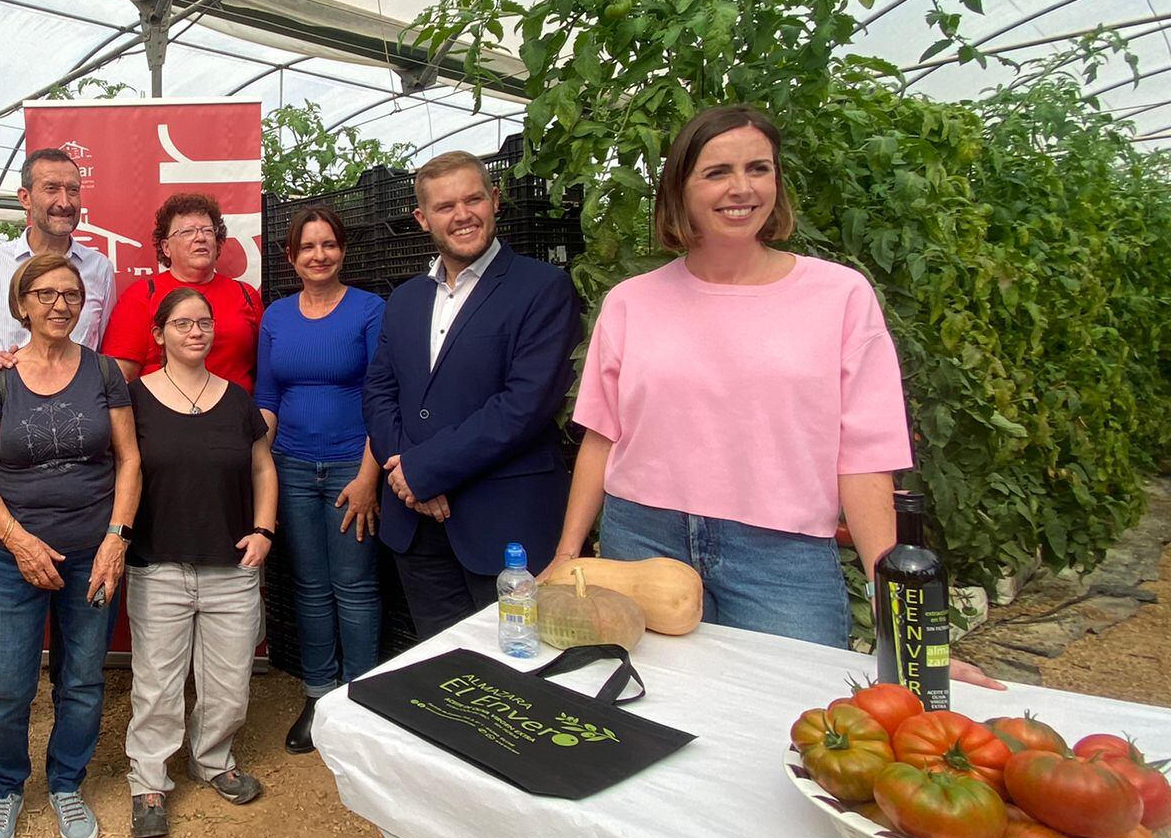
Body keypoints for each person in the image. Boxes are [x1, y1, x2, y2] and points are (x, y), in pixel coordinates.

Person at [552, 104, 1005, 688]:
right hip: (641, 540)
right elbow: (602, 438)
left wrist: (900, 615)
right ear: (679, 190)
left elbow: (865, 459)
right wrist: (568, 558)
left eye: (758, 168)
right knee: (643, 711)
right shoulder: (631, 302)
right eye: (716, 172)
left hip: (779, 558)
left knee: (789, 718)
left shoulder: (839, 296)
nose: (741, 188)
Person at [0, 147, 118, 781]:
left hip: (81, 456)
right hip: (10, 448)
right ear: (25, 196)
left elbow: (101, 355)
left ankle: (63, 745)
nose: (65, 201)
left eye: (73, 189)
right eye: (52, 188)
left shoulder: (99, 268)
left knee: (77, 640)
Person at [363, 151, 582, 639]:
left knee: (519, 667)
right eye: (445, 206)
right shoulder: (405, 300)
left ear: (495, 201)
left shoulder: (543, 289)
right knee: (440, 664)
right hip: (416, 526)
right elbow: (379, 389)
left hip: (505, 525)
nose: (462, 215)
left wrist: (423, 470)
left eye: (473, 199)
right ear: (423, 219)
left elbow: (523, 406)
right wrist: (405, 473)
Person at [0, 253, 137, 838]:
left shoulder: (106, 372)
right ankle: (6, 788)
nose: (60, 304)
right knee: (7, 682)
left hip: (93, 549)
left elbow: (129, 460)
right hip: (13, 553)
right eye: (46, 293)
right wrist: (16, 539)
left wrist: (117, 537)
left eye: (70, 293)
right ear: (22, 304)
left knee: (82, 677)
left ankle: (66, 782)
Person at [124, 287, 276, 838]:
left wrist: (263, 529)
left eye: (204, 323)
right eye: (183, 323)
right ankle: (149, 780)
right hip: (157, 564)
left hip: (231, 564)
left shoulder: (237, 399)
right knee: (157, 684)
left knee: (230, 683)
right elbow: (122, 473)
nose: (196, 331)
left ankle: (212, 760)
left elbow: (262, 468)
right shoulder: (133, 398)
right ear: (159, 334)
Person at [255, 205, 385, 753]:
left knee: (354, 586)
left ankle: (361, 697)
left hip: (350, 469)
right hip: (290, 463)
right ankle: (319, 693)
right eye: (307, 247)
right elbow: (267, 398)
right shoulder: (277, 318)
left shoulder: (369, 310)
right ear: (291, 257)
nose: (318, 255)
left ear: (342, 250)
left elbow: (384, 398)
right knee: (308, 586)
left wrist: (368, 476)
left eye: (328, 244)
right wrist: (260, 469)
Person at [100, 192, 263, 389]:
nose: (200, 238)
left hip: (236, 415)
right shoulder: (142, 295)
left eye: (208, 231)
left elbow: (264, 372)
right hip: (161, 416)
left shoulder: (246, 295)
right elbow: (120, 376)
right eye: (187, 232)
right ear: (166, 247)